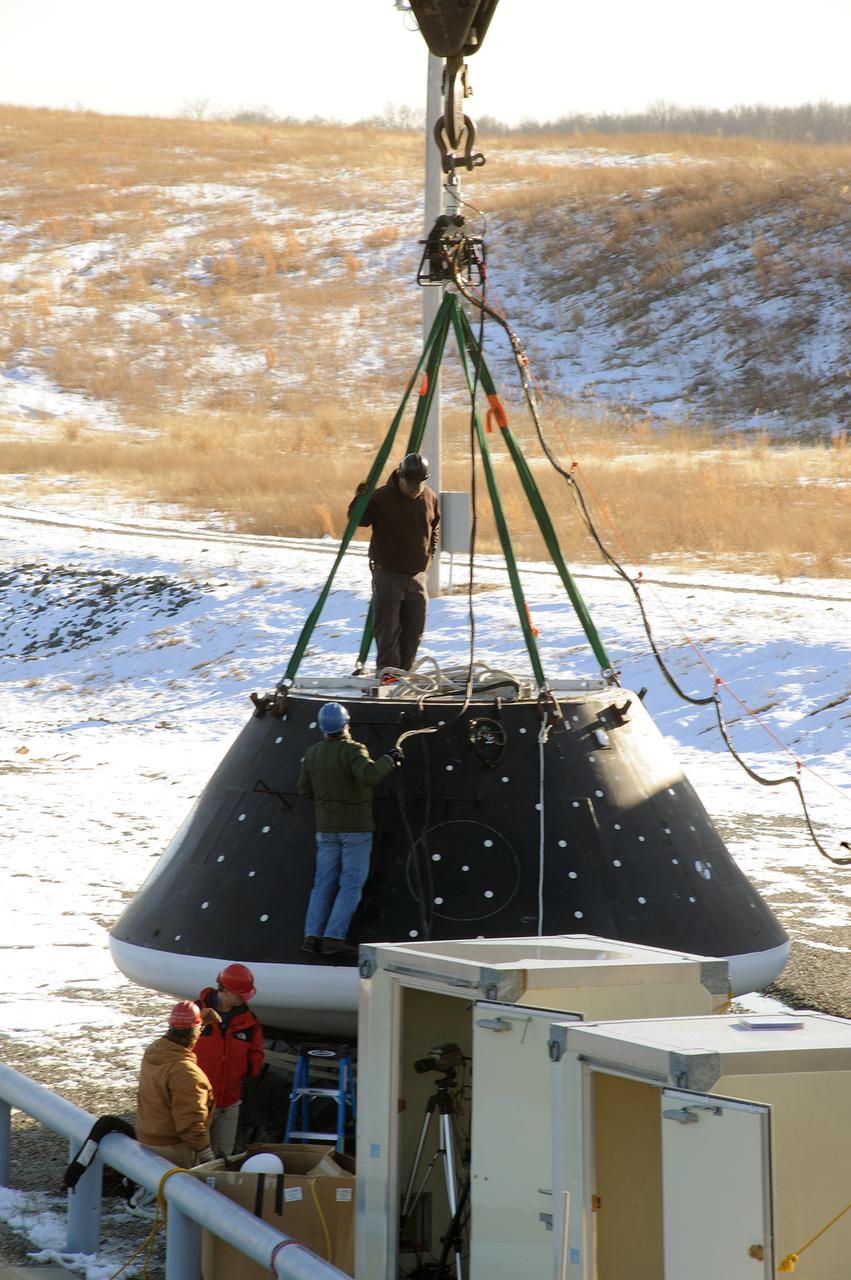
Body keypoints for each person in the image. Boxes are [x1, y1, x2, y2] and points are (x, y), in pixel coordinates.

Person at [299, 700, 402, 960]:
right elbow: (369, 776)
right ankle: (334, 937)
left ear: (323, 727)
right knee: (351, 885)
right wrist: (390, 760)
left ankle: (311, 937)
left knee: (322, 884)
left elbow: (304, 790)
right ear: (346, 725)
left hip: (326, 830)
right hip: (356, 829)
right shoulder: (354, 750)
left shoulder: (312, 753)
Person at [349, 452, 440, 676]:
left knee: (414, 629)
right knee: (387, 629)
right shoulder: (381, 498)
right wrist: (360, 498)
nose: (414, 489)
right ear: (400, 475)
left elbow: (434, 526)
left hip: (417, 576)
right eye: (410, 484)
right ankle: (389, 675)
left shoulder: (429, 497)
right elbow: (357, 519)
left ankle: (405, 674)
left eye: (418, 484)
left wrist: (431, 551)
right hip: (388, 574)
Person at [193, 963, 265, 1158]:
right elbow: (175, 1049)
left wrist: (247, 1069)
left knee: (224, 1158)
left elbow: (256, 1052)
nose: (244, 998)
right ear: (225, 990)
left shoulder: (249, 1020)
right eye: (240, 994)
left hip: (229, 1103)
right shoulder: (195, 1013)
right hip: (198, 1103)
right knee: (196, 1159)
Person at [135, 1000, 216, 1168]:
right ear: (194, 1033)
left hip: (147, 1141)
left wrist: (200, 1024)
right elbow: (190, 1123)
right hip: (174, 1149)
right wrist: (206, 1153)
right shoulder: (186, 1072)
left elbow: (182, 1034)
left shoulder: (154, 1052)